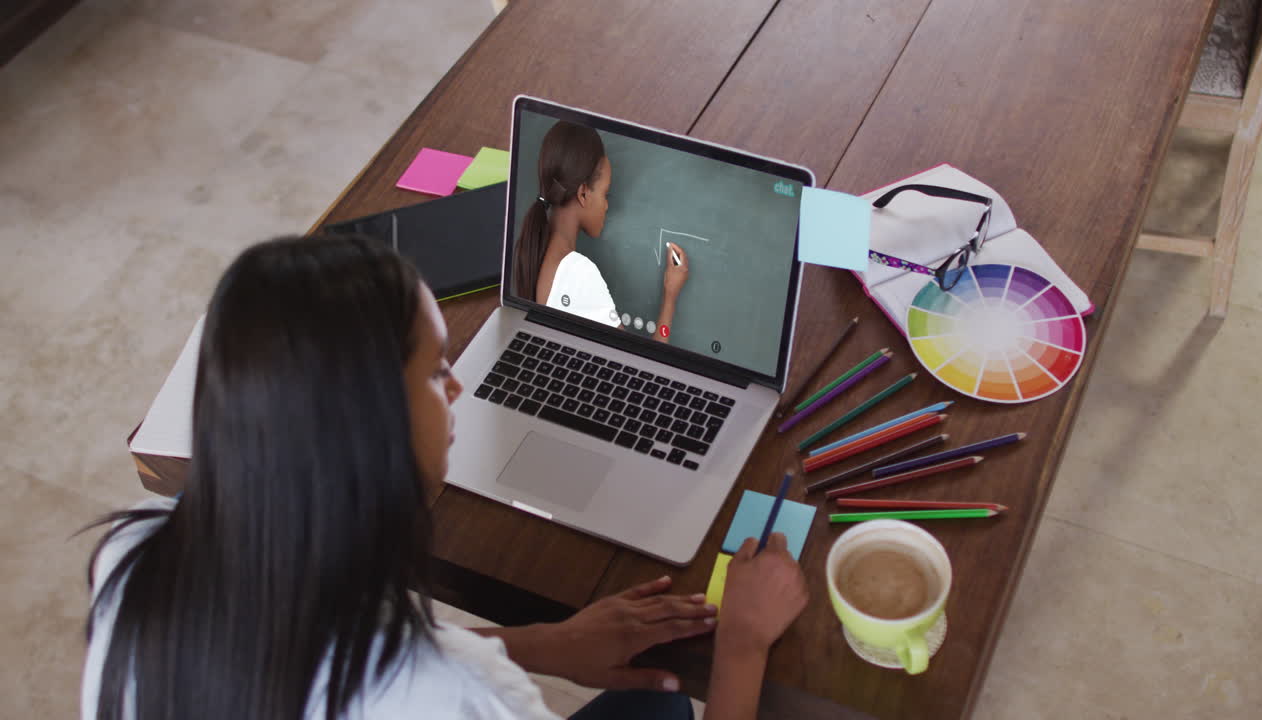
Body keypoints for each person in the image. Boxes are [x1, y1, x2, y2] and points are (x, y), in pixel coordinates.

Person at [82, 234, 808, 720]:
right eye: (435, 370)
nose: (458, 385)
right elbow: (421, 681)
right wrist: (742, 645)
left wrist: (543, 645)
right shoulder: (454, 699)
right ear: (371, 430)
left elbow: (327, 657)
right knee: (669, 701)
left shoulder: (136, 557)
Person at [514, 121, 688, 342]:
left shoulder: (540, 256)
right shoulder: (578, 271)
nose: (606, 206)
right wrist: (670, 297)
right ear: (583, 194)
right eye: (605, 194)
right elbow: (635, 369)